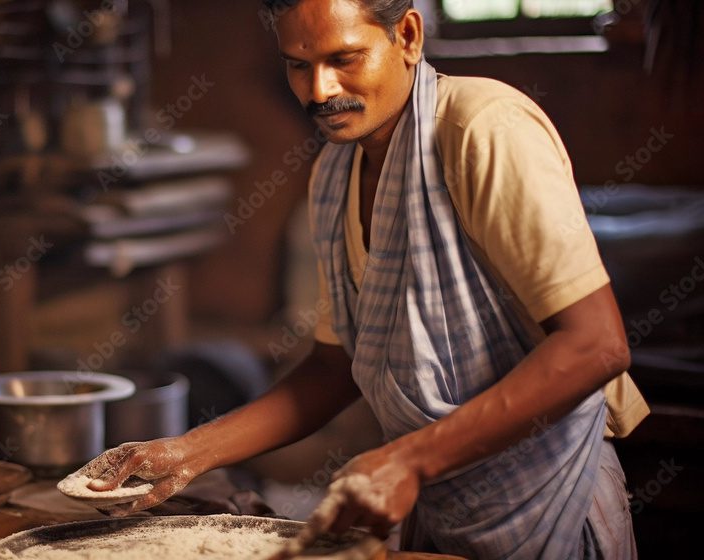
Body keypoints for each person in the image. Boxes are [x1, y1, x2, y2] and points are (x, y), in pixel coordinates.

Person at [81, 1, 649, 557]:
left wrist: (408, 460)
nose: (320, 90)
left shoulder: (482, 128)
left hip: (551, 500)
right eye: (298, 65)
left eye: (344, 57)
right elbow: (336, 366)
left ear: (407, 36)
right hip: (434, 508)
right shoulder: (334, 173)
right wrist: (186, 452)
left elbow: (595, 345)